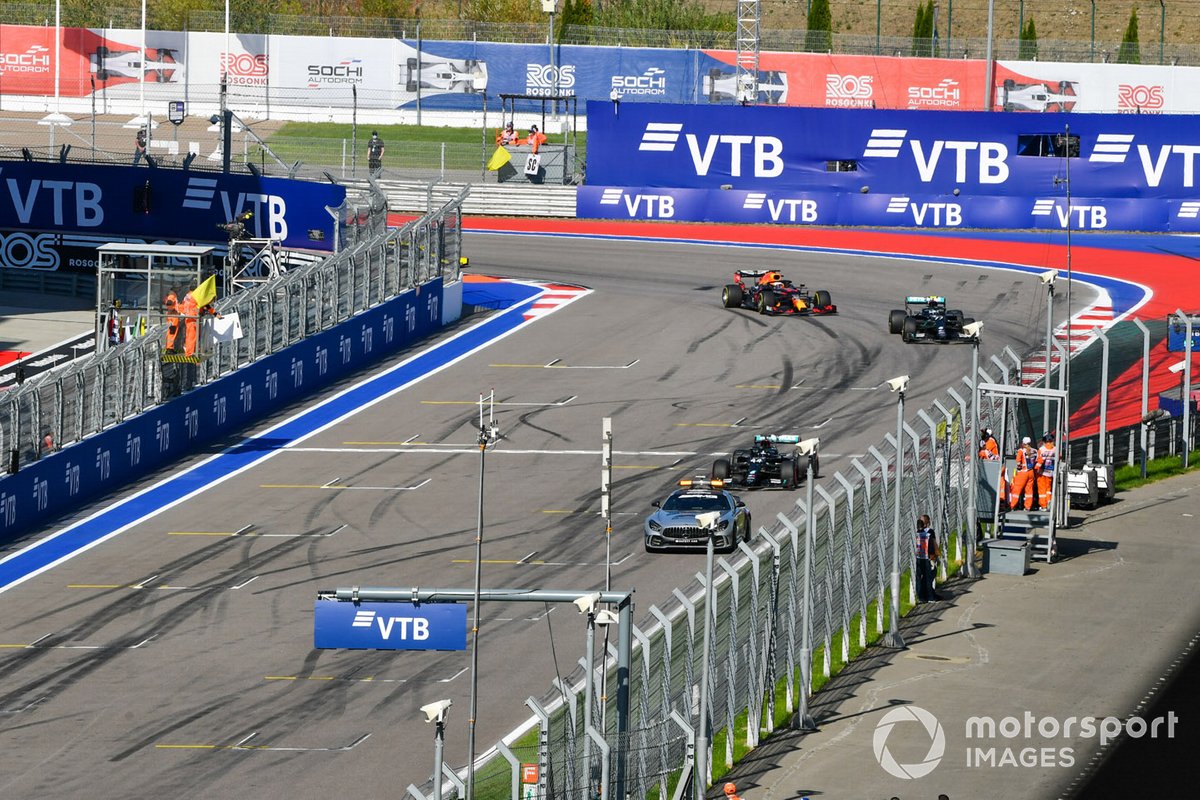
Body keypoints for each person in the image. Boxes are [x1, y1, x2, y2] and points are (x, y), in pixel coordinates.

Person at [1009, 436, 1041, 511]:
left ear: (1023, 443)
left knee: (1016, 490)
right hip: (1031, 473)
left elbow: (1018, 461)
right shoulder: (1035, 451)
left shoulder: (1021, 451)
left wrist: (1019, 467)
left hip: (1023, 473)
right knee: (1029, 491)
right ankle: (1028, 507)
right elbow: (1037, 461)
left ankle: (1012, 506)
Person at [915, 514, 941, 602]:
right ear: (928, 523)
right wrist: (935, 556)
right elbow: (933, 545)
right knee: (928, 577)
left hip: (918, 558)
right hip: (928, 557)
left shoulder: (917, 533)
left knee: (919, 578)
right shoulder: (930, 532)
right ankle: (930, 596)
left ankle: (921, 597)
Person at [1036, 433, 1057, 511]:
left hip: (1041, 472)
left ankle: (1043, 505)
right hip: (1050, 472)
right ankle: (1049, 502)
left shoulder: (1041, 449)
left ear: (1044, 442)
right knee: (1048, 489)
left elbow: (1038, 460)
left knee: (1042, 490)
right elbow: (1060, 457)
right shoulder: (1055, 449)